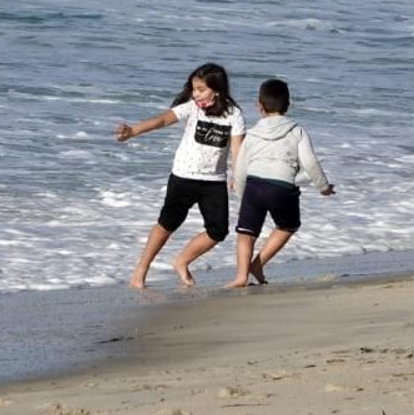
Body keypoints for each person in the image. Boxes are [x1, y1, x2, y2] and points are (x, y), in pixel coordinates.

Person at [115, 63, 244, 289]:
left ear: (217, 89)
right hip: (183, 176)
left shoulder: (234, 115)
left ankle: (182, 261)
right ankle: (140, 271)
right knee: (167, 224)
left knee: (218, 231)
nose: (196, 94)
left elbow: (237, 148)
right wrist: (133, 131)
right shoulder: (192, 108)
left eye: (201, 89)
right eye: (194, 89)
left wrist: (237, 174)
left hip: (214, 181)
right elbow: (163, 120)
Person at [227, 78, 335, 288]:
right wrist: (323, 187)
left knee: (246, 233)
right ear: (288, 105)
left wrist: (242, 195)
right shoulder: (296, 131)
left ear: (259, 105)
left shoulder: (252, 134)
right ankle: (257, 265)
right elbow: (310, 162)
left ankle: (241, 277)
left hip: (254, 187)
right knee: (287, 226)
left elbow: (240, 166)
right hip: (282, 188)